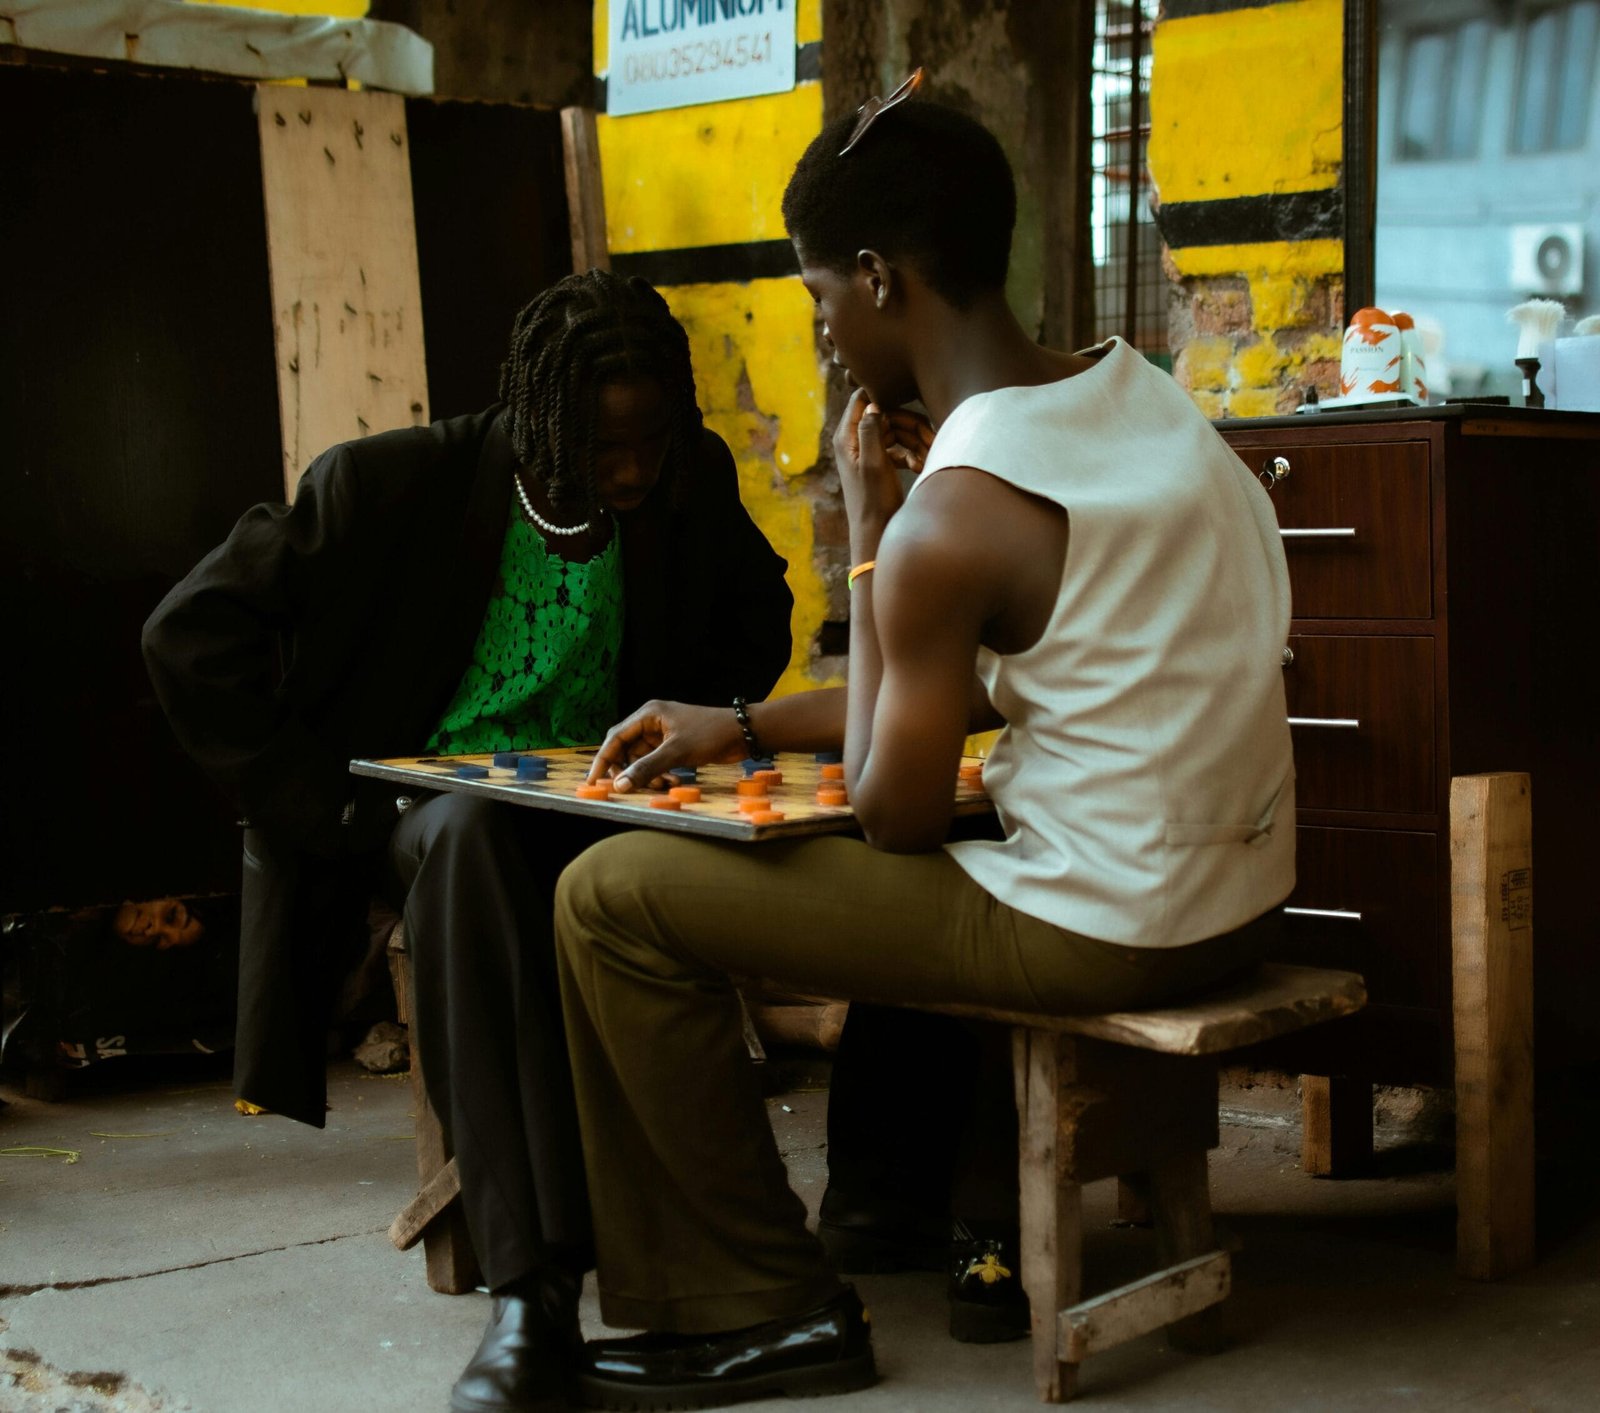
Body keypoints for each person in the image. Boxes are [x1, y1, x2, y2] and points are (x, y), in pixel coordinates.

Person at [549, 91, 1296, 1410]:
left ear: (883, 281)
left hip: (1103, 923)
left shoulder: (958, 509)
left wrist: (875, 528)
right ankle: (889, 1210)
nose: (824, 331)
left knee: (607, 895)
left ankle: (755, 1304)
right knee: (890, 837)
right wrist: (742, 722)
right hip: (1236, 901)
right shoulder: (1157, 415)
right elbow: (1022, 681)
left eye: (821, 294)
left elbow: (895, 807)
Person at [140, 269, 794, 1413]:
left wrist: (686, 726)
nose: (632, 472)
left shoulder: (686, 483)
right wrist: (328, 810)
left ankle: (752, 1264)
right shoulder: (388, 485)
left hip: (601, 811)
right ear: (538, 418)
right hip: (424, 822)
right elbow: (187, 637)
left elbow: (757, 616)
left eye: (653, 441)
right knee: (477, 845)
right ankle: (531, 1293)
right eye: (602, 448)